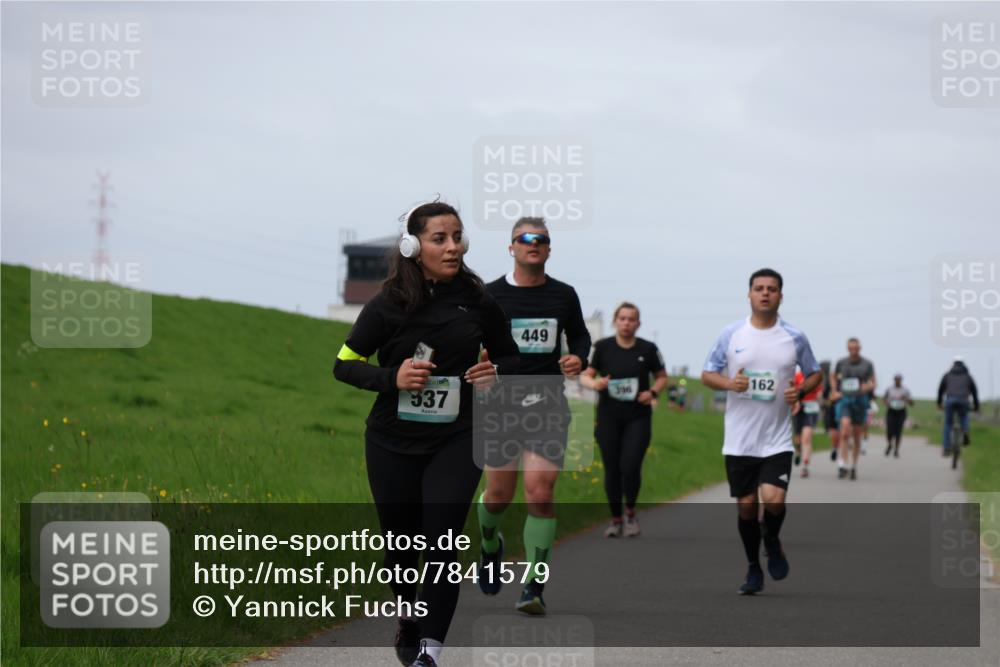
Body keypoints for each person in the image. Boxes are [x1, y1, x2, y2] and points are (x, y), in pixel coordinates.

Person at [333, 201, 520, 667]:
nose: (453, 246)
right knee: (402, 545)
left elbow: (512, 358)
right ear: (414, 247)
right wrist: (390, 378)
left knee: (441, 540)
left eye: (458, 236)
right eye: (440, 238)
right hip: (390, 440)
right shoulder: (387, 304)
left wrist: (494, 371)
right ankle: (409, 617)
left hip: (457, 438)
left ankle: (430, 652)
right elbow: (343, 365)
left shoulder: (477, 300)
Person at [476, 217, 591, 616]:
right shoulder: (489, 296)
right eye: (525, 239)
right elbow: (471, 342)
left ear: (548, 248)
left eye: (541, 239)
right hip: (500, 408)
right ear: (511, 248)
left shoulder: (564, 295)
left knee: (540, 495)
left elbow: (580, 335)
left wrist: (579, 356)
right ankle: (489, 544)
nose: (533, 244)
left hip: (546, 405)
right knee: (498, 497)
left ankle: (533, 586)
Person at [701, 268, 821, 595]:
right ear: (749, 294)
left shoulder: (794, 337)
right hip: (739, 439)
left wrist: (802, 391)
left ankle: (772, 538)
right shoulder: (731, 334)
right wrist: (729, 383)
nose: (765, 293)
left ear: (781, 296)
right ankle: (754, 567)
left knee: (774, 498)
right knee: (746, 506)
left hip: (777, 437)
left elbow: (814, 373)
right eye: (759, 288)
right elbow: (707, 373)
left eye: (771, 289)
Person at [580, 302, 668, 538]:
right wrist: (596, 383)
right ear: (615, 321)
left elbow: (661, 377)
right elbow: (586, 376)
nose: (627, 323)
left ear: (638, 323)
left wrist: (653, 393)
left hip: (637, 417)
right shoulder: (602, 347)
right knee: (612, 469)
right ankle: (615, 518)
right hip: (608, 417)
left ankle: (630, 512)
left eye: (631, 319)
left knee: (629, 466)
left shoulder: (648, 349)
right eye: (623, 319)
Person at [830, 338, 876, 481]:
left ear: (860, 348)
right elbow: (832, 376)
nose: (854, 351)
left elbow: (873, 382)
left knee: (856, 436)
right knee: (844, 431)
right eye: (851, 348)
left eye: (856, 348)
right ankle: (842, 464)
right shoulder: (841, 363)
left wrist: (867, 387)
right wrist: (834, 390)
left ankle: (853, 466)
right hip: (845, 400)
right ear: (847, 348)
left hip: (860, 401)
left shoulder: (867, 364)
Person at [937, 356, 981, 455]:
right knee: (964, 416)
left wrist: (939, 403)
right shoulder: (968, 376)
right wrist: (976, 406)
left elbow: (940, 390)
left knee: (948, 424)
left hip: (950, 400)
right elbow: (974, 392)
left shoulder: (947, 375)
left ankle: (946, 448)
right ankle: (965, 431)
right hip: (964, 400)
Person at [791, 366, 821, 478]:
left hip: (811, 407)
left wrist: (820, 396)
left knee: (806, 438)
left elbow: (820, 391)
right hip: (798, 408)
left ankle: (805, 466)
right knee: (798, 439)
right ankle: (798, 451)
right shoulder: (797, 376)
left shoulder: (815, 376)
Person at [883, 374, 913, 457]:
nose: (898, 381)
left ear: (901, 380)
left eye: (899, 379)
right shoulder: (889, 389)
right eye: (896, 379)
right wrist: (888, 402)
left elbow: (911, 402)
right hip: (891, 411)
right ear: (894, 380)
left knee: (898, 431)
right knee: (889, 430)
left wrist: (905, 398)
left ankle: (896, 450)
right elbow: (884, 399)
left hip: (901, 412)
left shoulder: (905, 390)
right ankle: (889, 444)